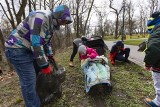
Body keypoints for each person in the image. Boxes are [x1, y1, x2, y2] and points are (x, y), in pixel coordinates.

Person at [5, 5, 72, 107]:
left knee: (38, 74)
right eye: (63, 21)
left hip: (29, 48)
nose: (63, 24)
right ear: (58, 16)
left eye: (65, 23)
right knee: (29, 81)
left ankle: (40, 97)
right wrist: (45, 65)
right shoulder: (40, 17)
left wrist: (50, 55)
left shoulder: (52, 24)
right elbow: (36, 44)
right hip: (16, 48)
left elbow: (46, 42)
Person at [144, 11, 160, 107]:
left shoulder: (157, 30)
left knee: (158, 83)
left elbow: (154, 48)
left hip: (158, 66)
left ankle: (158, 102)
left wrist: (148, 64)